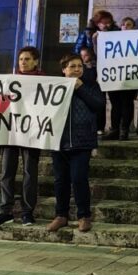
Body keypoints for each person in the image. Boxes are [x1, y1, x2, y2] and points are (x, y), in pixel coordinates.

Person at [47, 53, 104, 233]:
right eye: (72, 66)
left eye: (79, 66)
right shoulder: (54, 87)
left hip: (82, 140)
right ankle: (61, 215)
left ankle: (83, 216)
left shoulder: (91, 85)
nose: (77, 69)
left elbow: (98, 105)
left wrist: (81, 89)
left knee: (79, 178)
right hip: (58, 140)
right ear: (64, 70)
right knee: (60, 180)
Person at [0, 47, 44, 228]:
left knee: (29, 172)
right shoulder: (8, 81)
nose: (23, 62)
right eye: (21, 59)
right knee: (7, 172)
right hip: (10, 131)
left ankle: (27, 212)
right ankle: (5, 211)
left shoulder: (45, 81)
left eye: (27, 59)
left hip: (31, 132)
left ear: (36, 61)